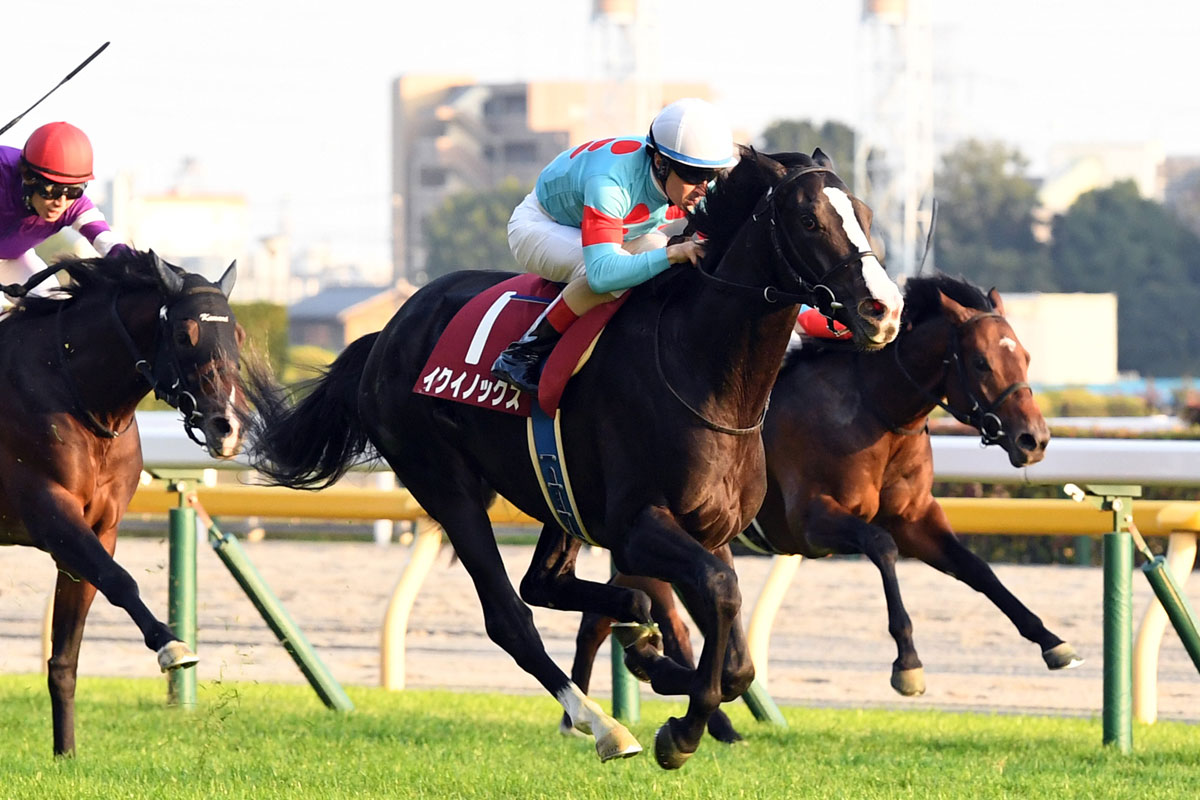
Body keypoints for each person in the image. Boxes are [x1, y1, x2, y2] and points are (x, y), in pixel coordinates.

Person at [491, 97, 738, 393]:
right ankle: (525, 351)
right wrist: (671, 253)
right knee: (609, 273)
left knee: (665, 262)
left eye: (712, 176)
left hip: (619, 230)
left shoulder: (686, 181)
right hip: (541, 226)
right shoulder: (611, 183)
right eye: (694, 176)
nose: (704, 187)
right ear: (660, 163)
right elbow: (602, 273)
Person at [0, 121, 129, 301]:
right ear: (28, 177)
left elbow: (110, 245)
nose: (61, 202)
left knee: (53, 309)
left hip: (13, 260)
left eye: (74, 191)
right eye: (52, 190)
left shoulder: (75, 206)